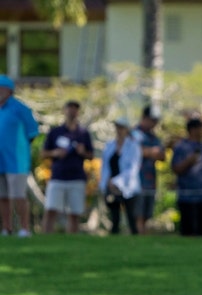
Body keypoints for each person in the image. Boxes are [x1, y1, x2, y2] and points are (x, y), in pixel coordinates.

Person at [41, 100, 94, 234]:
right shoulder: (56, 132)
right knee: (51, 209)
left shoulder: (83, 133)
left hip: (76, 177)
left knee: (74, 212)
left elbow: (91, 155)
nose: (72, 111)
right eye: (69, 108)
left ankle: (72, 239)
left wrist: (83, 152)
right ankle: (46, 237)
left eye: (75, 109)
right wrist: (56, 152)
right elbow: (43, 153)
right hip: (58, 176)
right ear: (64, 110)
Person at [0, 75, 39, 238]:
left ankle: (24, 229)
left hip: (16, 162)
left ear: (9, 91)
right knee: (2, 197)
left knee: (18, 196)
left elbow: (32, 133)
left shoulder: (21, 109)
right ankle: (6, 228)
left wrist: (19, 149)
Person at [99, 117, 142, 235]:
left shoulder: (133, 146)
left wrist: (116, 181)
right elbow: (105, 167)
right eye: (117, 127)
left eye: (122, 127)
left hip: (127, 186)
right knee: (114, 217)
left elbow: (133, 169)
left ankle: (135, 242)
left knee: (131, 217)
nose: (119, 130)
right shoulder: (109, 145)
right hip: (111, 187)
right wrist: (105, 183)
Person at [133, 105, 165, 234]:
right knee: (138, 212)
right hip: (136, 180)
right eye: (152, 120)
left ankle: (143, 233)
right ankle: (138, 235)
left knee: (147, 213)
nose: (154, 123)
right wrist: (151, 152)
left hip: (150, 180)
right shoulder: (134, 134)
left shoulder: (154, 137)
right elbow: (135, 152)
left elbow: (162, 155)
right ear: (144, 118)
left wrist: (149, 152)